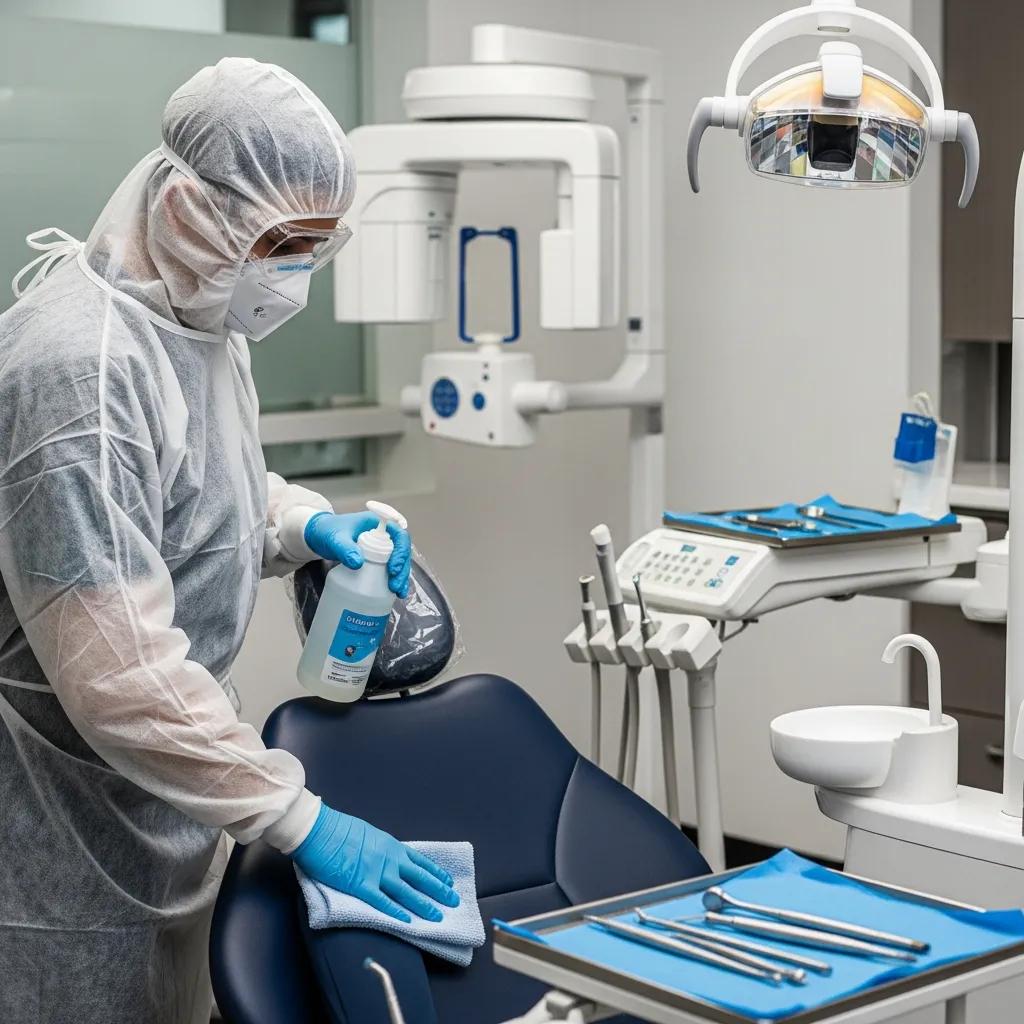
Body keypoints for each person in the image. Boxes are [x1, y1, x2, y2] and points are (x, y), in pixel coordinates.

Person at [0, 57, 457, 1024]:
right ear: (186, 213)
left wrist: (301, 524)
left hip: (160, 806)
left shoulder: (196, 321)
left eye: (313, 250)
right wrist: (299, 818)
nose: (291, 279)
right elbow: (116, 670)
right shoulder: (76, 373)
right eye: (282, 246)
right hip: (56, 833)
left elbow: (194, 503)